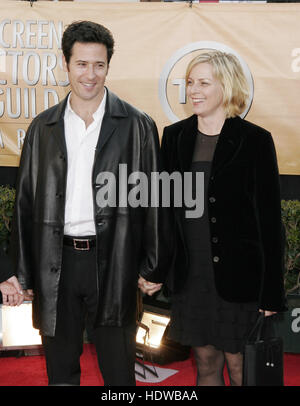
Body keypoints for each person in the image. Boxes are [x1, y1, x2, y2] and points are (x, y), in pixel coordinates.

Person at [0, 20, 164, 386]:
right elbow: (25, 204)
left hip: (116, 264)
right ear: (65, 62)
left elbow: (154, 200)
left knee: (119, 375)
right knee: (60, 373)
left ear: (109, 65)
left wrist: (152, 266)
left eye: (99, 65)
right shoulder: (43, 127)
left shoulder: (137, 126)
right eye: (82, 64)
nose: (90, 75)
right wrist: (23, 271)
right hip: (55, 263)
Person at [160, 51, 287, 386]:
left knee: (242, 367)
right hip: (194, 276)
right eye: (190, 82)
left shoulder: (255, 140)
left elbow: (270, 223)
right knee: (205, 363)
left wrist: (271, 293)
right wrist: (157, 268)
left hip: (241, 278)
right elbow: (166, 212)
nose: (193, 90)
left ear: (227, 86)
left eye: (204, 82)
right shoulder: (174, 137)